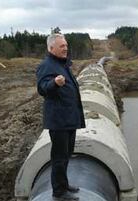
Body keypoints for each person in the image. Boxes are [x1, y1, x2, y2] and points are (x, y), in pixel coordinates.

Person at [36, 33, 86, 201]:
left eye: (66, 45)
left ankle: (64, 185)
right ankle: (58, 191)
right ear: (51, 48)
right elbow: (42, 88)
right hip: (58, 121)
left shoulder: (62, 64)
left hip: (69, 119)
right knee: (59, 157)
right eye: (61, 46)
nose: (65, 48)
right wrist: (54, 84)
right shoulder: (47, 65)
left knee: (66, 155)